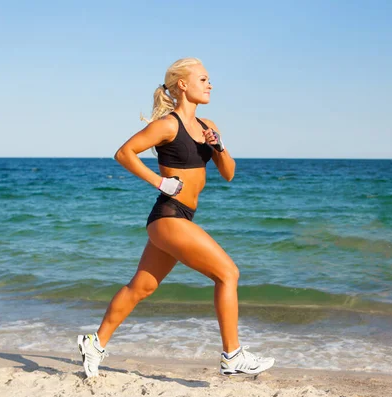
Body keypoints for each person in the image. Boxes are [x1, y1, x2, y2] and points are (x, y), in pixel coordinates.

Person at [77, 57, 274, 378]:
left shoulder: (209, 127)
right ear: (183, 84)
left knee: (140, 288)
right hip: (168, 216)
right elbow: (124, 153)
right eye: (203, 79)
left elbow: (229, 174)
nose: (210, 85)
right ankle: (232, 355)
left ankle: (94, 342)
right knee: (228, 273)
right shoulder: (169, 125)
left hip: (181, 217)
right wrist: (158, 181)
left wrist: (220, 147)